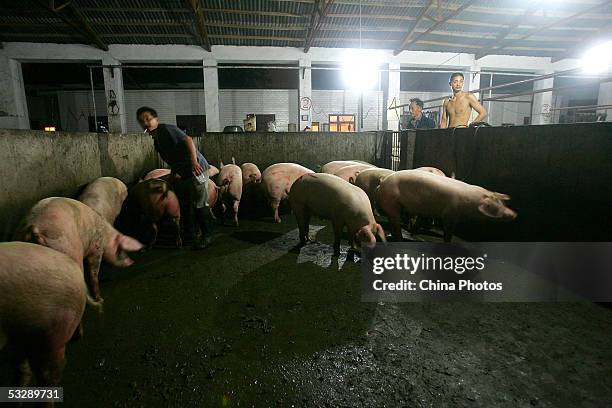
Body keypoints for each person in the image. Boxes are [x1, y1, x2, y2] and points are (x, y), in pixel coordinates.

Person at [136, 106, 214, 250]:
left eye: (148, 118)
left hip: (197, 169)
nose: (146, 123)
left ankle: (207, 235)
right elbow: (173, 159)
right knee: (188, 201)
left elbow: (188, 140)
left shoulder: (166, 130)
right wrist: (172, 176)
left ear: (156, 120)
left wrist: (194, 162)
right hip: (186, 172)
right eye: (142, 121)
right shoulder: (157, 141)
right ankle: (192, 234)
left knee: (200, 202)